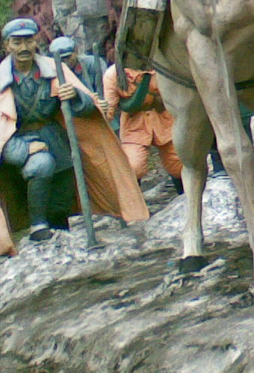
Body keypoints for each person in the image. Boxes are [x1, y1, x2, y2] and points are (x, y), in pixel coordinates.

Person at [0, 19, 146, 252]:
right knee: (40, 165)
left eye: (28, 41)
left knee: (62, 187)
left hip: (55, 137)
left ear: (36, 41)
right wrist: (24, 150)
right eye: (17, 42)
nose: (24, 47)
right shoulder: (2, 79)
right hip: (17, 141)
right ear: (8, 45)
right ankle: (37, 226)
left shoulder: (53, 68)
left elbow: (89, 107)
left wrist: (75, 96)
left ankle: (60, 233)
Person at [102, 65, 185, 194]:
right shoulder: (113, 74)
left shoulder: (159, 64)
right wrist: (102, 113)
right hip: (134, 126)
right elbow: (109, 108)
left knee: (179, 164)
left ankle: (187, 198)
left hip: (165, 120)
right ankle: (136, 208)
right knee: (132, 167)